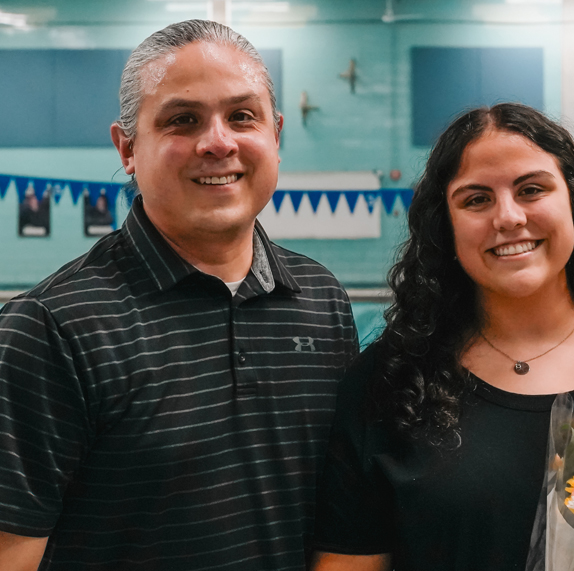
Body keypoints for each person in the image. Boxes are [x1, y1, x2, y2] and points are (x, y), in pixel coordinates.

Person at [0, 20, 359, 570]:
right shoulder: (52, 328)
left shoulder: (321, 301)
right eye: (182, 120)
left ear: (276, 135)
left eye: (243, 116)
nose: (218, 141)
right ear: (127, 147)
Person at [310, 103, 574, 571]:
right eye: (476, 199)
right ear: (445, 227)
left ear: (573, 201)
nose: (507, 217)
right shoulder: (389, 380)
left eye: (531, 190)